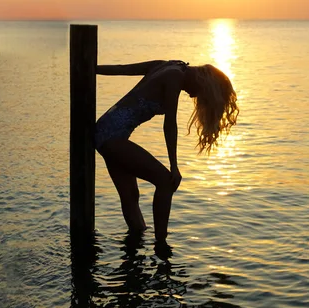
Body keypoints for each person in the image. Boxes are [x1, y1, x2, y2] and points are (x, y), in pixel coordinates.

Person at [95, 60, 238, 241]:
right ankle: (160, 243)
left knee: (131, 196)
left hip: (106, 132)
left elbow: (123, 68)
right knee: (165, 181)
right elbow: (170, 124)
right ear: (204, 83)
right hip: (111, 137)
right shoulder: (175, 77)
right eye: (203, 93)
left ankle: (136, 244)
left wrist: (91, 69)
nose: (194, 97)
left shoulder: (166, 66)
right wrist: (174, 166)